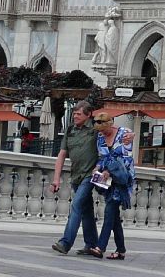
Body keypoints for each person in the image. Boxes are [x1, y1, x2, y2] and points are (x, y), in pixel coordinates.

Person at [50, 102, 99, 255]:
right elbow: (62, 154)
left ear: (88, 115)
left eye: (79, 114)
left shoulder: (96, 129)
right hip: (76, 175)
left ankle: (65, 243)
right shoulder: (70, 130)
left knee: (77, 205)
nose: (75, 116)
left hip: (90, 175)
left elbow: (114, 131)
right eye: (74, 113)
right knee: (86, 210)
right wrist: (56, 179)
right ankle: (91, 244)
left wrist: (129, 135)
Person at [88, 111, 133, 261]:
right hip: (107, 181)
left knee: (109, 211)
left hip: (121, 180)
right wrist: (98, 167)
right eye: (99, 131)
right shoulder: (100, 137)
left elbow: (126, 158)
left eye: (103, 130)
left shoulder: (124, 134)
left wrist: (109, 170)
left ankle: (100, 247)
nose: (101, 133)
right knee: (114, 217)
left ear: (110, 124)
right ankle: (121, 250)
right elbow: (102, 157)